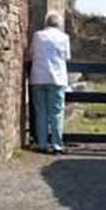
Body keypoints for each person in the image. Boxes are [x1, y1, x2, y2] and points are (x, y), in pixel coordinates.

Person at [29, 11, 71, 154]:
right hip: (57, 79)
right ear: (59, 24)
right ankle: (57, 145)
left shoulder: (37, 36)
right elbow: (67, 57)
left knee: (41, 112)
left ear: (46, 22)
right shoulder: (64, 38)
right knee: (57, 113)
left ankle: (42, 144)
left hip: (39, 77)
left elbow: (31, 53)